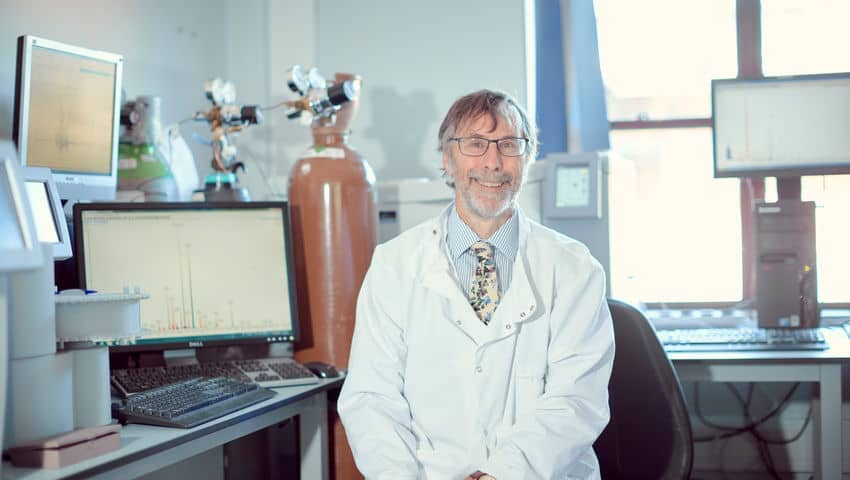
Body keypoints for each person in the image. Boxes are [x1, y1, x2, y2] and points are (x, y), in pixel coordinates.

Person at [338, 89, 615, 479]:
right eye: (475, 144)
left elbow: (576, 400)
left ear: (528, 158)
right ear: (448, 159)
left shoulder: (574, 269)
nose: (493, 162)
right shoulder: (394, 266)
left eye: (509, 145)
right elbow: (372, 398)